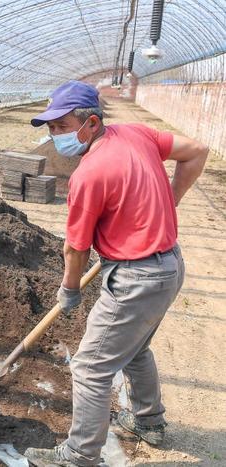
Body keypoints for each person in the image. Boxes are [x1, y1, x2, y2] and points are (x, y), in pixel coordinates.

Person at [23, 81, 208, 466]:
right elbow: (197, 152)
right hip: (169, 267)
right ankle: (149, 422)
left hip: (136, 278)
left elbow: (75, 247)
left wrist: (69, 289)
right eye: (50, 127)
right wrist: (169, 202)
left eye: (60, 126)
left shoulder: (89, 175)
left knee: (90, 368)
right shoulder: (136, 134)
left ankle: (78, 455)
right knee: (136, 348)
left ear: (90, 123)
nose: (54, 135)